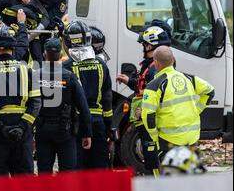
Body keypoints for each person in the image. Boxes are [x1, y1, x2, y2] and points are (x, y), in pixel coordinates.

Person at [0, 27, 41, 177]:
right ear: (13, 46)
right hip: (22, 135)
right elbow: (36, 104)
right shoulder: (27, 70)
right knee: (24, 183)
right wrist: (23, 126)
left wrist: (1, 127)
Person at [141, 46, 214, 164]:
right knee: (188, 174)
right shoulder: (189, 78)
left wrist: (155, 137)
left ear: (156, 63)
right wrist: (197, 109)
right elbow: (210, 91)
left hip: (168, 140)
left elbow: (148, 115)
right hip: (192, 138)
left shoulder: (154, 85)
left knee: (171, 178)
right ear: (173, 59)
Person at [116, 21, 171, 176]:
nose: (143, 49)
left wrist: (145, 110)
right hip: (145, 120)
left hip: (151, 122)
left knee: (153, 159)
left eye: (145, 45)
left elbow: (159, 96)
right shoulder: (151, 66)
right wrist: (129, 81)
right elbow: (145, 87)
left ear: (151, 47)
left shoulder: (156, 69)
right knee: (150, 158)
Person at [35, 38, 92, 174]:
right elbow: (83, 107)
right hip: (65, 131)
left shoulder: (35, 76)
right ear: (61, 55)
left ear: (44, 54)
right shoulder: (70, 77)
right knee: (68, 173)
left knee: (44, 173)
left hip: (42, 131)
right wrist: (87, 133)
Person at [63, 20, 113, 169]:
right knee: (100, 168)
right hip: (98, 123)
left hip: (75, 125)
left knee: (77, 168)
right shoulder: (101, 64)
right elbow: (107, 98)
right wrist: (109, 126)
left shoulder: (66, 67)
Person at [0, 0, 50, 64]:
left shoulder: (34, 0)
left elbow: (46, 17)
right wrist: (0, 24)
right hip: (11, 47)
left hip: (30, 43)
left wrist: (34, 33)